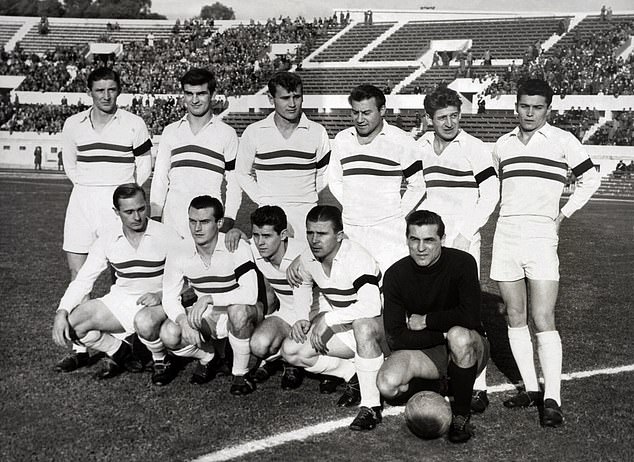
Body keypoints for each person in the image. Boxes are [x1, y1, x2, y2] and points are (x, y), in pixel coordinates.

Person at [490, 79, 601, 427]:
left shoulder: (563, 140)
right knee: (514, 315)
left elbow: (590, 179)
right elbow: (495, 185)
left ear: (548, 109)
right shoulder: (502, 145)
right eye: (524, 106)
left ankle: (552, 397)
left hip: (541, 235)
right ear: (516, 106)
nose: (530, 113)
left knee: (543, 318)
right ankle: (531, 389)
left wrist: (562, 215)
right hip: (506, 233)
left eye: (537, 107)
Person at [57, 67, 152, 372]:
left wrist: (122, 191)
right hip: (82, 201)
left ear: (119, 91)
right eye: (100, 90)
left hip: (116, 204)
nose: (106, 96)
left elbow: (145, 164)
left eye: (112, 89)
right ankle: (80, 349)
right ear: (90, 93)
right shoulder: (73, 124)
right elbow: (70, 163)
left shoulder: (134, 124)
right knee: (78, 274)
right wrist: (88, 187)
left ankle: (121, 347)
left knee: (119, 275)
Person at [417, 86, 498, 412]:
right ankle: (443, 376)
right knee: (433, 309)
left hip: (463, 244)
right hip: (429, 243)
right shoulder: (419, 147)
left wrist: (465, 235)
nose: (450, 123)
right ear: (429, 119)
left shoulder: (474, 148)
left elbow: (491, 193)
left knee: (468, 315)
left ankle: (479, 385)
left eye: (454, 116)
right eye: (442, 118)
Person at [377, 210, 489, 443]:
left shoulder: (463, 263)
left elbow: (469, 317)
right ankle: (441, 385)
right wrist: (442, 333)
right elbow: (396, 337)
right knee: (387, 385)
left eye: (429, 240)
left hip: (469, 345)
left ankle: (461, 415)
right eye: (414, 239)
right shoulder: (395, 275)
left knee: (459, 336)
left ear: (442, 240)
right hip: (432, 346)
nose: (420, 248)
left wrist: (427, 321)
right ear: (406, 239)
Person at [52, 184, 179, 380]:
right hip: (121, 301)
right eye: (129, 212)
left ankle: (161, 360)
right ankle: (119, 351)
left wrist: (161, 296)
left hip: (158, 303)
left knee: (144, 322)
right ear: (116, 212)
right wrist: (62, 311)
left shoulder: (167, 235)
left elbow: (189, 278)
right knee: (73, 324)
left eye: (141, 209)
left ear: (147, 207)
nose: (137, 217)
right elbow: (83, 280)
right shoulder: (108, 238)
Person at [282, 205, 385, 431]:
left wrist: (328, 319)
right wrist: (301, 317)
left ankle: (371, 406)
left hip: (382, 327)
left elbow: (372, 306)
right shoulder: (308, 257)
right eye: (310, 233)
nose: (314, 240)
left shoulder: (356, 257)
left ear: (339, 236)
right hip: (347, 323)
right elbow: (302, 284)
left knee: (363, 327)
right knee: (291, 349)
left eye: (322, 234)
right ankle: (353, 375)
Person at [160, 196, 261, 395]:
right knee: (168, 334)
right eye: (192, 221)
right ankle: (209, 356)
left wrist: (210, 298)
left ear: (219, 223)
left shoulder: (236, 246)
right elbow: (169, 296)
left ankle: (240, 375)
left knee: (238, 311)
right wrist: (183, 321)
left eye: (205, 222)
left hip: (242, 311)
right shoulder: (179, 251)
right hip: (207, 314)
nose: (197, 228)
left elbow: (250, 294)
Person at [327, 84, 425, 272]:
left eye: (366, 113)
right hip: (351, 228)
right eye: (355, 113)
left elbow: (417, 185)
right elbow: (335, 180)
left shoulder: (401, 140)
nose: (360, 119)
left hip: (388, 232)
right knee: (354, 286)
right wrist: (352, 204)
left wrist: (395, 214)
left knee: (390, 289)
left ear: (382, 110)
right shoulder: (342, 139)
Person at [236, 71, 330, 242]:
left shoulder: (317, 132)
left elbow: (325, 172)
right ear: (271, 99)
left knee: (306, 266)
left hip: (306, 215)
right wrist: (264, 200)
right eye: (285, 98)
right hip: (269, 218)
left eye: (297, 97)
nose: (292, 104)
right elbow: (242, 173)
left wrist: (306, 196)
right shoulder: (254, 132)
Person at [150, 68, 241, 241]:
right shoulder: (171, 131)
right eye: (189, 94)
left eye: (201, 93)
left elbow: (235, 182)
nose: (194, 100)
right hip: (172, 224)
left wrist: (229, 219)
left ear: (212, 94)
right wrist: (155, 217)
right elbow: (160, 178)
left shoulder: (226, 134)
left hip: (209, 224)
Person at [248, 205, 310, 389]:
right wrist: (234, 232)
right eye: (256, 235)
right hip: (285, 314)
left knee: (298, 348)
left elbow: (335, 246)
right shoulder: (255, 250)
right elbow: (239, 243)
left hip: (311, 315)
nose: (260, 242)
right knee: (258, 345)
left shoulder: (304, 251)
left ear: (283, 235)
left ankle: (292, 364)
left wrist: (305, 257)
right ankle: (279, 359)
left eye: (266, 236)